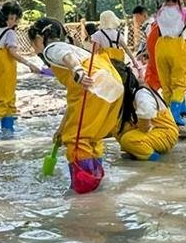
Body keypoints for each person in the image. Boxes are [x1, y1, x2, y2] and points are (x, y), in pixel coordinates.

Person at [28, 18, 123, 194]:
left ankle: (83, 192)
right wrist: (62, 128)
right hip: (111, 84)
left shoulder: (51, 48)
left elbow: (66, 56)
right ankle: (98, 186)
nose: (34, 49)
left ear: (40, 39)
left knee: (77, 140)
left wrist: (78, 71)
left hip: (91, 83)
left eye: (33, 43)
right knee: (91, 137)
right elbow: (76, 104)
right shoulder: (76, 49)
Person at [0, 1, 41, 141]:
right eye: (13, 18)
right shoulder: (10, 33)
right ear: (9, 18)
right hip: (6, 71)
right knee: (2, 102)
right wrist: (29, 64)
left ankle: (7, 132)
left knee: (7, 100)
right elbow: (12, 53)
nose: (15, 21)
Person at [116, 74, 179, 161]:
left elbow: (146, 115)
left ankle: (155, 160)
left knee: (128, 140)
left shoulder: (142, 94)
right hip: (154, 128)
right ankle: (137, 151)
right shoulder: (132, 91)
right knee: (118, 129)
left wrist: (143, 128)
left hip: (165, 132)